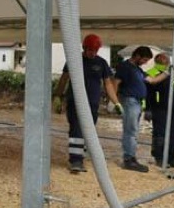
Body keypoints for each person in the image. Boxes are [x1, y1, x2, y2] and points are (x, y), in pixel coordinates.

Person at [54, 34, 122, 174]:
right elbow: (64, 79)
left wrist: (116, 102)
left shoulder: (101, 63)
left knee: (88, 131)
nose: (93, 53)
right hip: (75, 102)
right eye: (91, 50)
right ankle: (75, 160)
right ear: (85, 48)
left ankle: (80, 157)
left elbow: (108, 84)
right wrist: (57, 96)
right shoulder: (74, 60)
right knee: (76, 129)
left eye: (96, 50)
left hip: (92, 103)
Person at [113, 46, 158, 172]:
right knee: (130, 131)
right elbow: (115, 83)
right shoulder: (125, 67)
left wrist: (163, 71)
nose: (145, 62)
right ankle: (129, 159)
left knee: (133, 131)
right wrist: (114, 101)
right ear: (137, 56)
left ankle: (131, 157)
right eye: (144, 59)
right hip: (129, 101)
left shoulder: (138, 69)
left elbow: (151, 80)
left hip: (136, 102)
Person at [146, 53, 174, 169]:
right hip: (160, 109)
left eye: (166, 62)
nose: (165, 64)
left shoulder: (172, 74)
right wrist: (148, 109)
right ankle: (159, 157)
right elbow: (148, 91)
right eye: (162, 62)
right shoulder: (153, 72)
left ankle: (172, 158)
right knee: (160, 134)